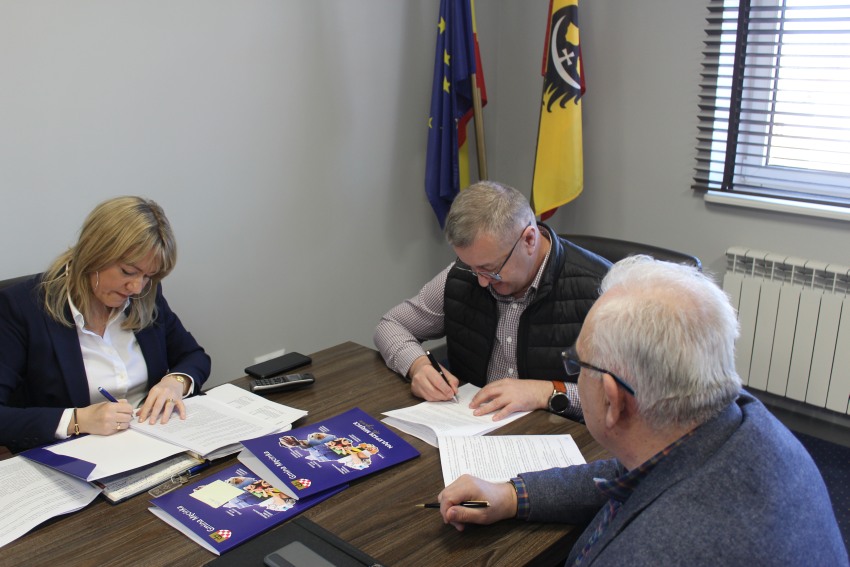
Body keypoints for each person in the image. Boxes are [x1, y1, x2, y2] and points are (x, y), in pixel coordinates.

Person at [436, 257, 848, 565]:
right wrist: (512, 495)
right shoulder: (740, 421)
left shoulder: (656, 549)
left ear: (612, 400)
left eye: (577, 364)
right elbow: (626, 473)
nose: (573, 373)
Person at [374, 181, 610, 421]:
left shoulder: (603, 292)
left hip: (559, 433)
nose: (482, 281)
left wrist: (546, 392)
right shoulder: (464, 275)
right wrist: (418, 366)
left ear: (529, 239)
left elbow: (624, 399)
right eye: (473, 267)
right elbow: (391, 325)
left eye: (491, 269)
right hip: (471, 424)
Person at [0, 196, 211, 452]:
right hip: (73, 455)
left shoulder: (146, 295)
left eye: (148, 276)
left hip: (153, 442)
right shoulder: (21, 307)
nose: (136, 287)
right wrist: (77, 420)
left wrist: (175, 382)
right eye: (128, 272)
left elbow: (194, 356)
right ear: (94, 254)